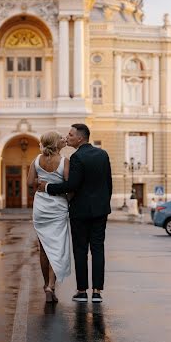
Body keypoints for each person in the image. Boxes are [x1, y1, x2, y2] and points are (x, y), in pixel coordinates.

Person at [37, 124, 112, 303]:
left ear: (80, 138)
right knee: (98, 249)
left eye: (70, 135)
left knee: (80, 251)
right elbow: (109, 184)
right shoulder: (103, 155)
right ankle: (96, 292)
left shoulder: (77, 157)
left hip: (80, 212)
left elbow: (72, 186)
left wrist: (47, 187)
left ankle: (81, 291)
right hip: (101, 210)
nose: (67, 137)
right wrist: (103, 204)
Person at [27, 131, 71, 303]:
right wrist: (68, 200)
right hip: (58, 207)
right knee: (58, 248)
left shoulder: (36, 160)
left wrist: (37, 193)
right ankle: (50, 285)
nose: (64, 139)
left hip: (41, 207)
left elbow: (30, 184)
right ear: (55, 143)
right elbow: (69, 186)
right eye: (60, 137)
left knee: (44, 248)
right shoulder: (64, 162)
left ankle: (46, 283)